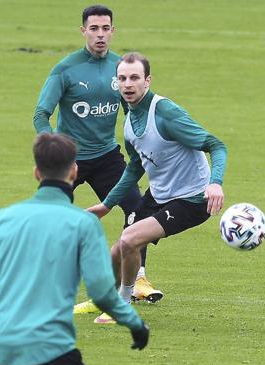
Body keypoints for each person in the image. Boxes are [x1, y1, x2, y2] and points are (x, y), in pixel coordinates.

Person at [0, 133, 149, 365]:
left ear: (37, 173)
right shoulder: (83, 223)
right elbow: (101, 293)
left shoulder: (2, 219)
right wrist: (135, 324)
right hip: (53, 354)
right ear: (74, 171)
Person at [33, 5, 163, 313]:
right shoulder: (66, 70)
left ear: (113, 31)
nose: (100, 34)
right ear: (83, 31)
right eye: (94, 29)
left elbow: (139, 109)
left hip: (108, 157)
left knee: (138, 210)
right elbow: (41, 114)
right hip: (70, 161)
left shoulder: (121, 70)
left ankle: (137, 280)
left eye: (106, 28)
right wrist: (54, 152)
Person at [88, 52, 228, 324]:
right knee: (116, 253)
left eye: (134, 78)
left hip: (191, 199)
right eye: (122, 79)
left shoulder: (165, 113)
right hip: (159, 194)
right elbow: (135, 167)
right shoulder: (129, 120)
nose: (128, 84)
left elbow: (217, 145)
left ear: (147, 81)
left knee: (130, 239)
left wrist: (216, 183)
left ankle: (122, 304)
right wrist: (106, 205)